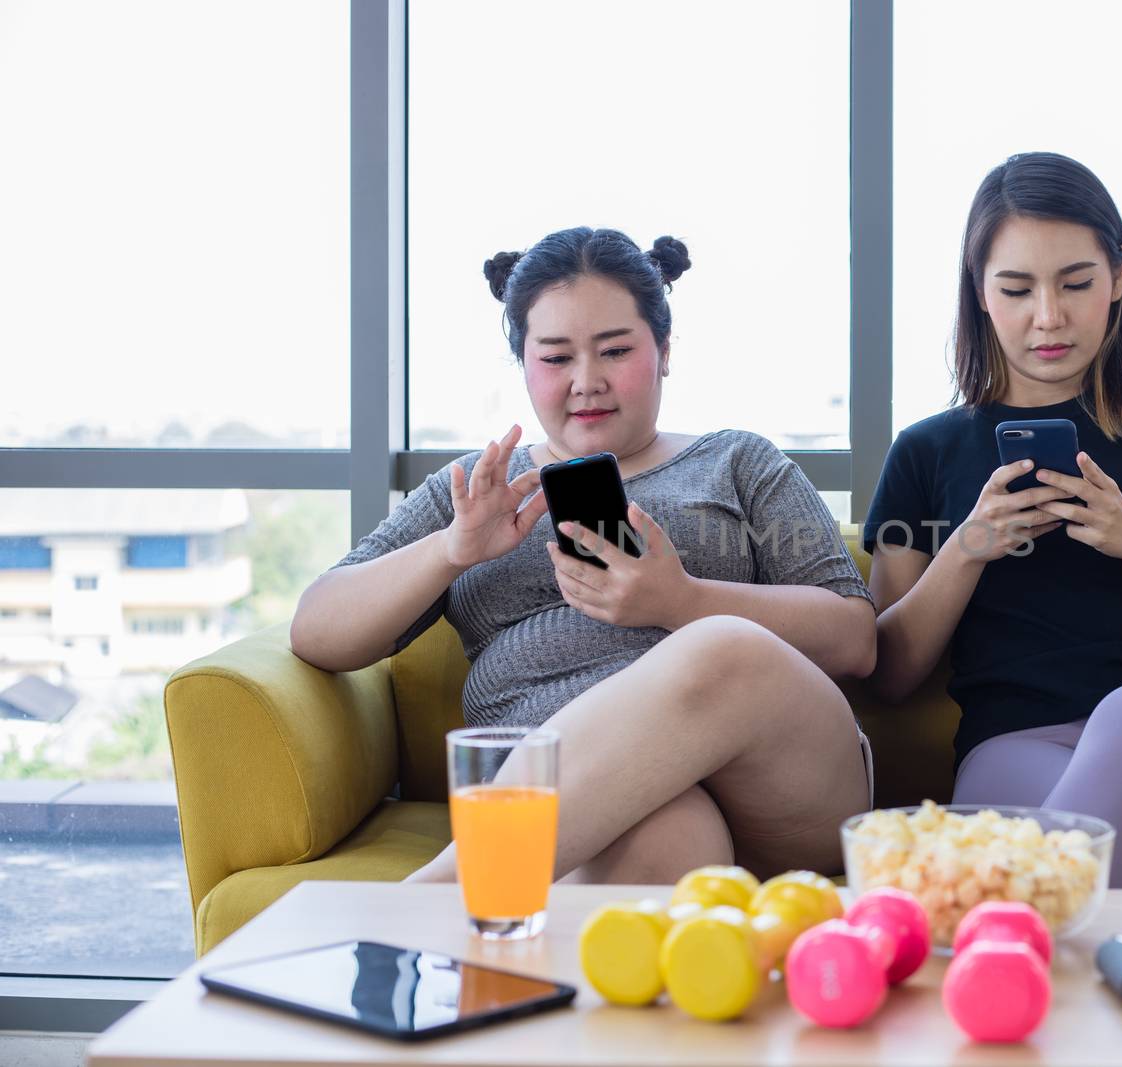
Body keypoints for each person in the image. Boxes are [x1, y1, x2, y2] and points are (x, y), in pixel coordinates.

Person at [290, 227, 875, 884]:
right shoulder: (479, 489)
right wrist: (452, 550)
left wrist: (683, 601)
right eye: (556, 357)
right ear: (524, 364)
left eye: (616, 350)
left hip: (781, 786)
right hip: (573, 812)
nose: (586, 382)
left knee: (723, 646)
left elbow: (855, 638)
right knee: (674, 834)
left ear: (664, 351)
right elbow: (316, 629)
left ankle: (431, 901)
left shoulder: (740, 461)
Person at [864, 153, 1122, 889]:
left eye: (1075, 283)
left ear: (1117, 275)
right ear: (980, 293)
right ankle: (1083, 980)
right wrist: (970, 546)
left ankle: (998, 932)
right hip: (1011, 752)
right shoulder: (924, 453)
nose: (1047, 316)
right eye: (1016, 288)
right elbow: (889, 673)